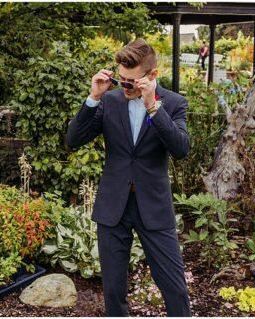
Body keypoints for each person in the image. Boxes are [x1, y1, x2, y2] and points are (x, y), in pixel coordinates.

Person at [66, 39, 191, 316]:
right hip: (114, 207)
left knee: (175, 288)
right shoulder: (110, 101)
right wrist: (93, 98)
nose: (124, 87)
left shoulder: (173, 103)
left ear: (152, 76)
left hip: (154, 207)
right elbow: (73, 139)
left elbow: (181, 149)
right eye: (120, 80)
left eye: (130, 82)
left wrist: (153, 108)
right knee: (113, 290)